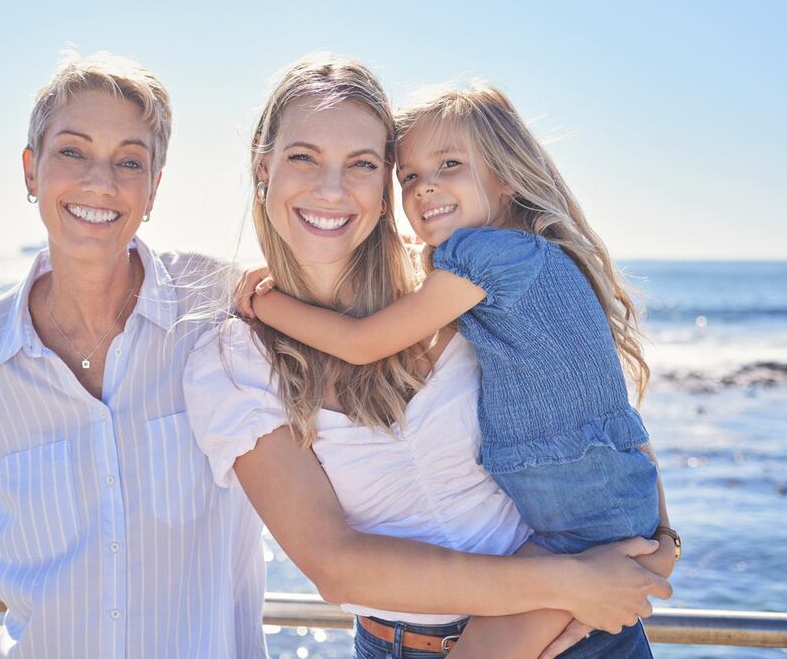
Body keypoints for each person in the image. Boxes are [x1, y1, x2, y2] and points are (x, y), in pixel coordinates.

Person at [187, 54, 673, 659]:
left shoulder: (454, 289)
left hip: (586, 630)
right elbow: (337, 567)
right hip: (495, 618)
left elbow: (593, 396)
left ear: (382, 183)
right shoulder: (234, 359)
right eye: (303, 157)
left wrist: (660, 539)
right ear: (264, 168)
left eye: (362, 164)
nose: (331, 188)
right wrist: (573, 583)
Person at [0, 51, 269, 658]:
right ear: (31, 171)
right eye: (72, 151)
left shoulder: (219, 312)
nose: (100, 181)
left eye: (129, 161)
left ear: (153, 188)